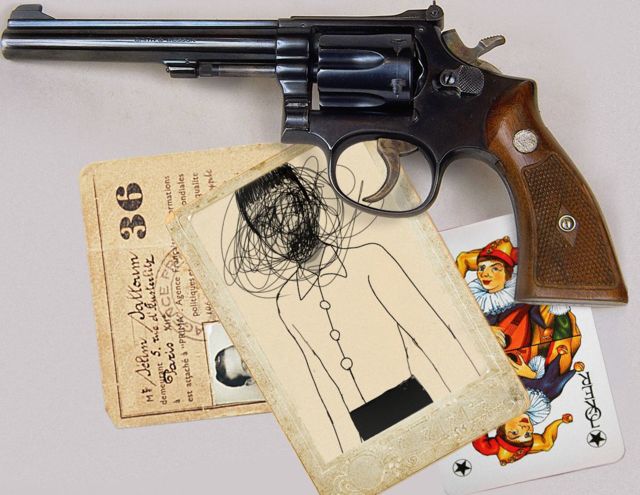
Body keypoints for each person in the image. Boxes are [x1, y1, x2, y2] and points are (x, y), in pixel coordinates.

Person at [224, 164, 481, 454]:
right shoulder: (287, 303)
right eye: (265, 224)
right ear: (259, 238)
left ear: (309, 201)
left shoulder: (369, 259)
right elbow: (320, 387)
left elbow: (434, 335)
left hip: (416, 400)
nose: (283, 227)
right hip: (362, 430)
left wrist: (472, 408)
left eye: (289, 205)